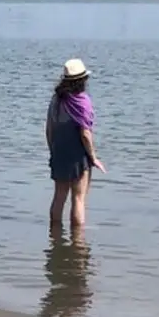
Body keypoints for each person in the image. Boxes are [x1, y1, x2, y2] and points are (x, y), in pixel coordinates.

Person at [46, 58, 106, 228]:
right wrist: (93, 158)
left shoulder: (56, 100)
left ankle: (55, 234)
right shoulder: (82, 101)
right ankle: (78, 241)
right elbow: (85, 133)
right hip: (77, 154)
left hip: (59, 151)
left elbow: (49, 128)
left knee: (59, 196)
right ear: (83, 80)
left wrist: (53, 151)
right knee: (78, 199)